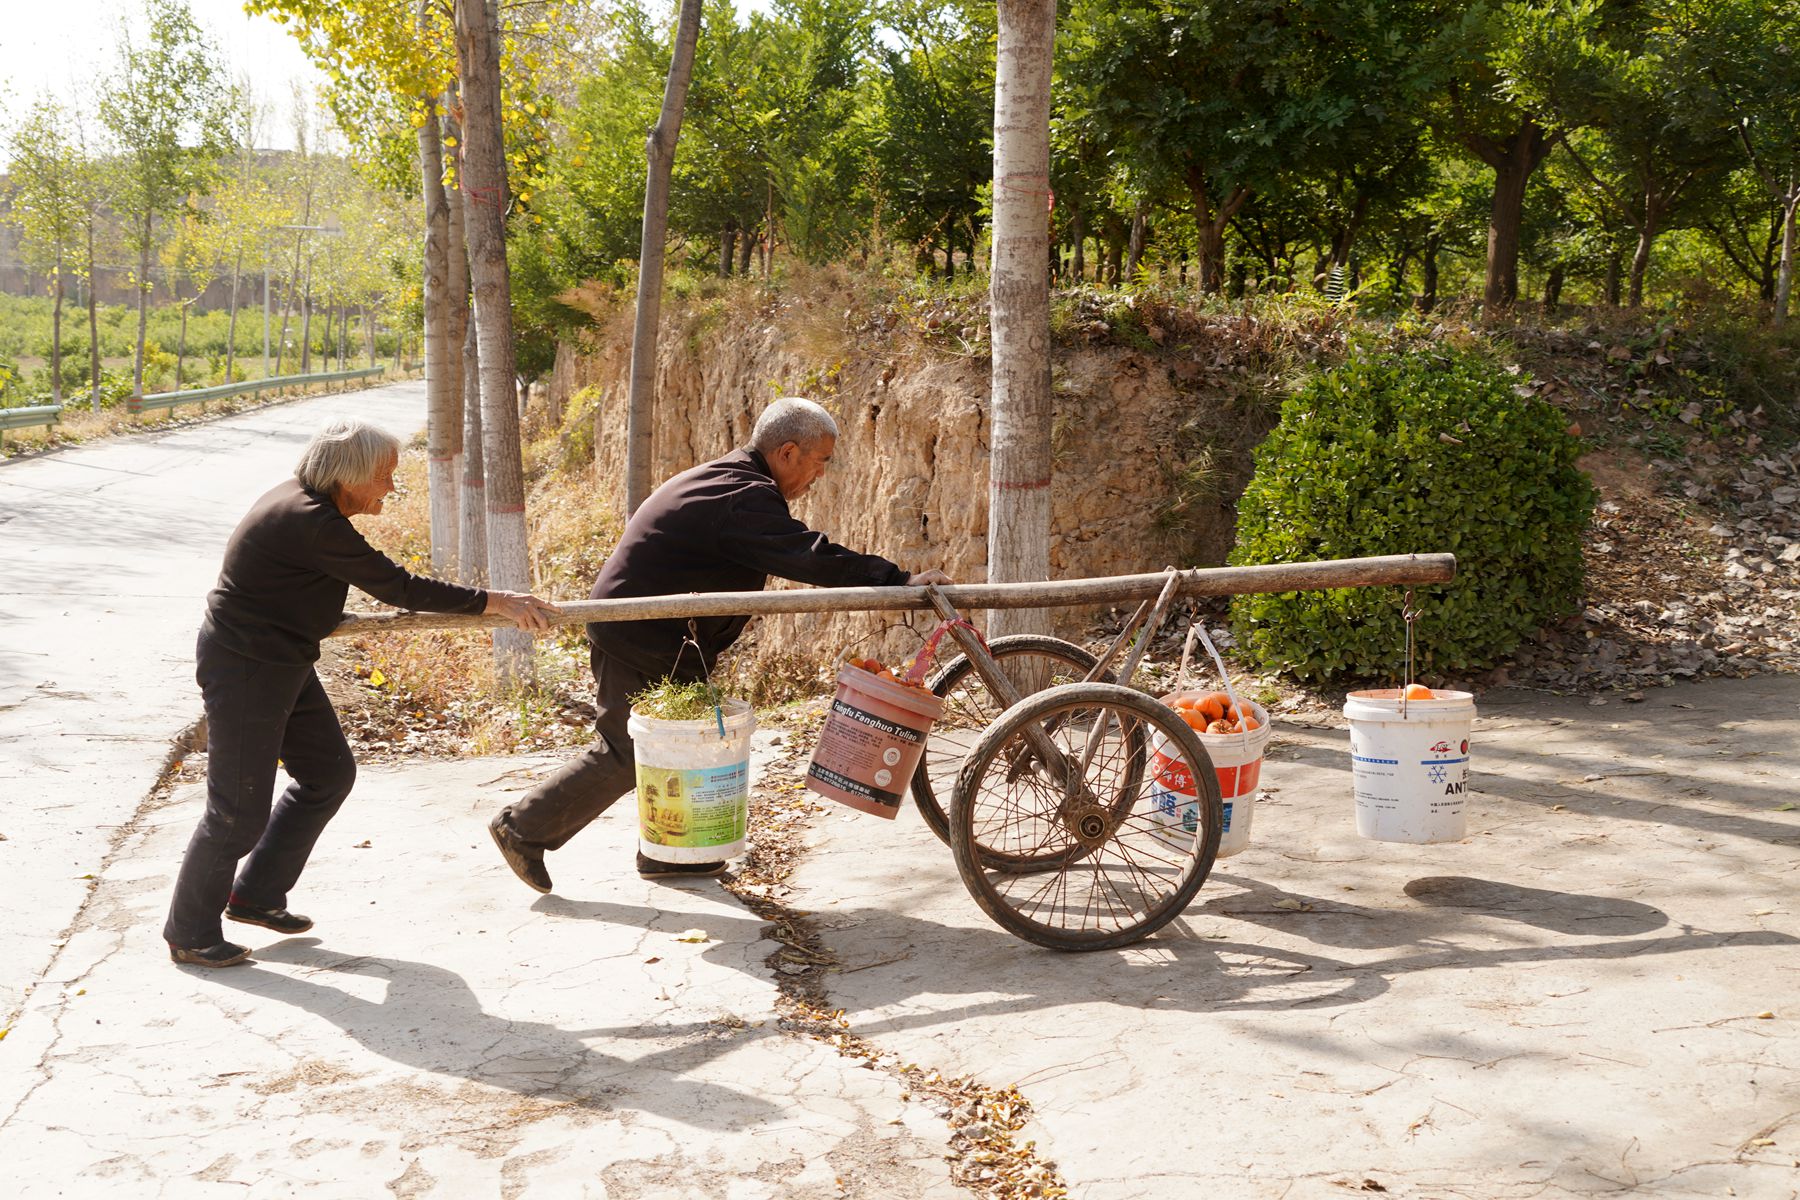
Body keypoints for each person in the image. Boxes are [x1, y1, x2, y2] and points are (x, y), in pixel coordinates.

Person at [487, 397, 948, 892]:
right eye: (821, 462)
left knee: (676, 745)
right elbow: (808, 556)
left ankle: (669, 855)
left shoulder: (732, 482)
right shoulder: (741, 496)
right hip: (638, 632)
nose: (820, 475)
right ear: (788, 452)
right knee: (626, 752)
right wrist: (896, 579)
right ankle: (522, 828)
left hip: (666, 636)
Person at [164, 418, 559, 968]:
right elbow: (399, 585)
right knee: (235, 812)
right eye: (386, 477)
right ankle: (189, 934)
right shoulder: (309, 520)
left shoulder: (307, 505)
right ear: (350, 477)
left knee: (327, 776)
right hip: (248, 665)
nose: (391, 489)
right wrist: (496, 601)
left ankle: (254, 896)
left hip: (281, 658)